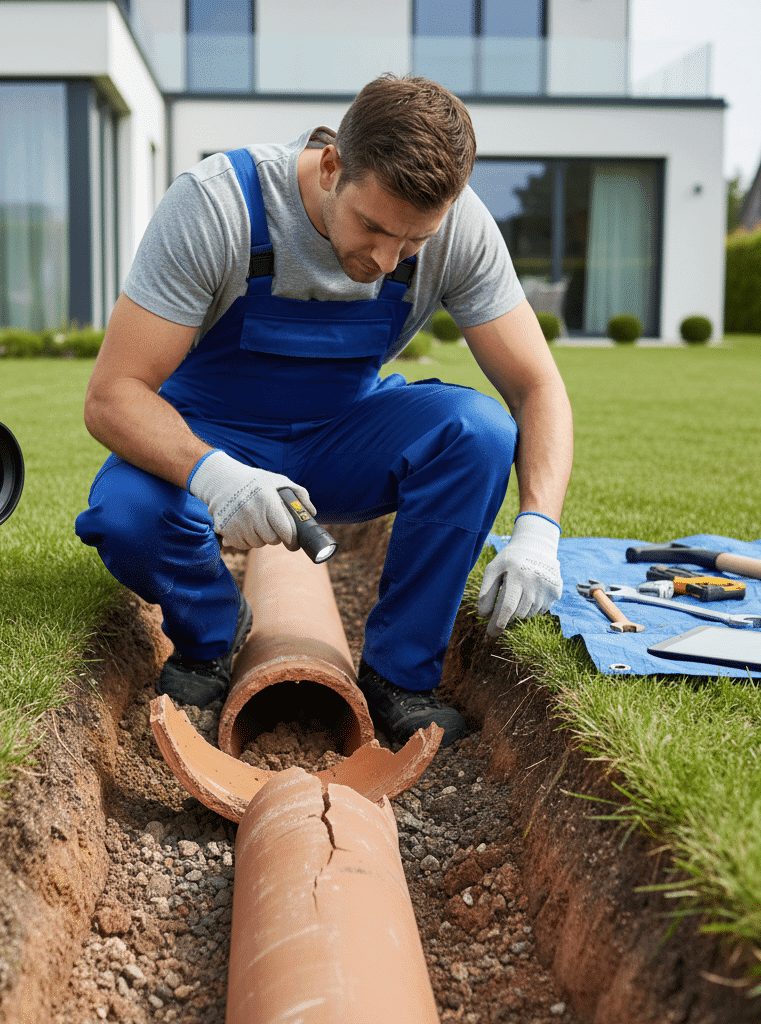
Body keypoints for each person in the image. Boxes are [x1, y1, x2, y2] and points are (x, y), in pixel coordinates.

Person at [75, 74, 573, 749]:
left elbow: (536, 386)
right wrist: (216, 476)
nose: (384, 258)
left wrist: (540, 528)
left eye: (412, 243)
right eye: (372, 226)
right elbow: (112, 395)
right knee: (128, 513)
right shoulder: (218, 206)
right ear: (332, 164)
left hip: (343, 435)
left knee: (479, 432)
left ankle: (400, 673)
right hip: (208, 431)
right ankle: (214, 634)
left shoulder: (459, 229)